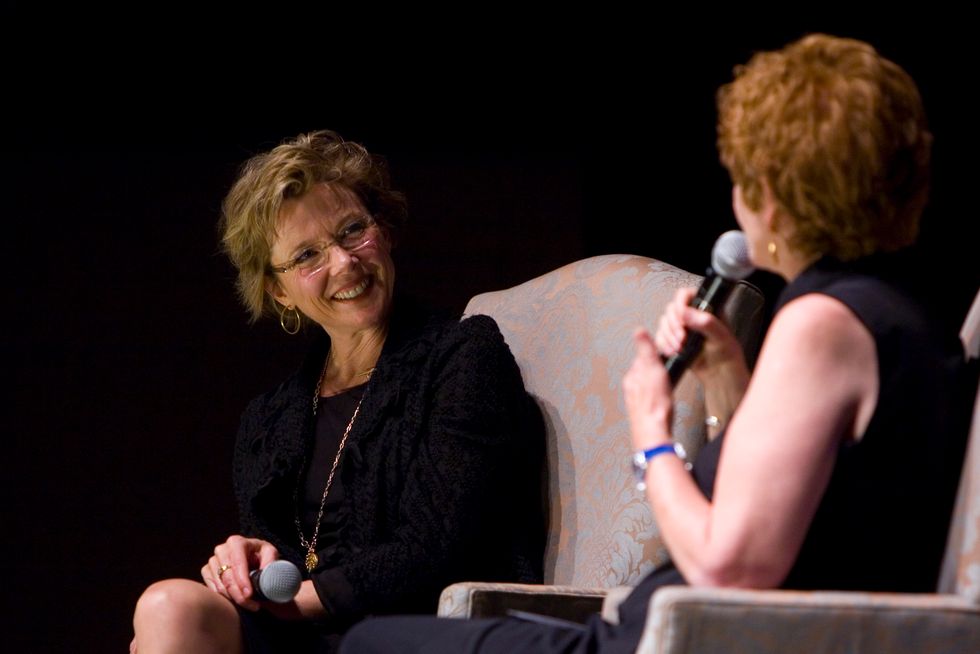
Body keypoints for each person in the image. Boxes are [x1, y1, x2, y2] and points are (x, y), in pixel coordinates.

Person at [338, 33, 974, 653]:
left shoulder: (820, 324)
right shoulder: (895, 312)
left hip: (662, 639)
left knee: (369, 640)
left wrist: (652, 435)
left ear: (774, 198)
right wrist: (724, 376)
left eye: (742, 178)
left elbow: (730, 566)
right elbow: (794, 494)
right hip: (674, 630)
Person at [130, 130, 546, 653]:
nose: (345, 262)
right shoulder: (269, 419)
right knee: (168, 606)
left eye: (352, 231)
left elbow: (437, 542)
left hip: (417, 627)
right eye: (308, 255)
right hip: (302, 629)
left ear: (383, 231)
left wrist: (304, 600)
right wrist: (250, 563)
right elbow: (281, 556)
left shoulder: (462, 356)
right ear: (279, 291)